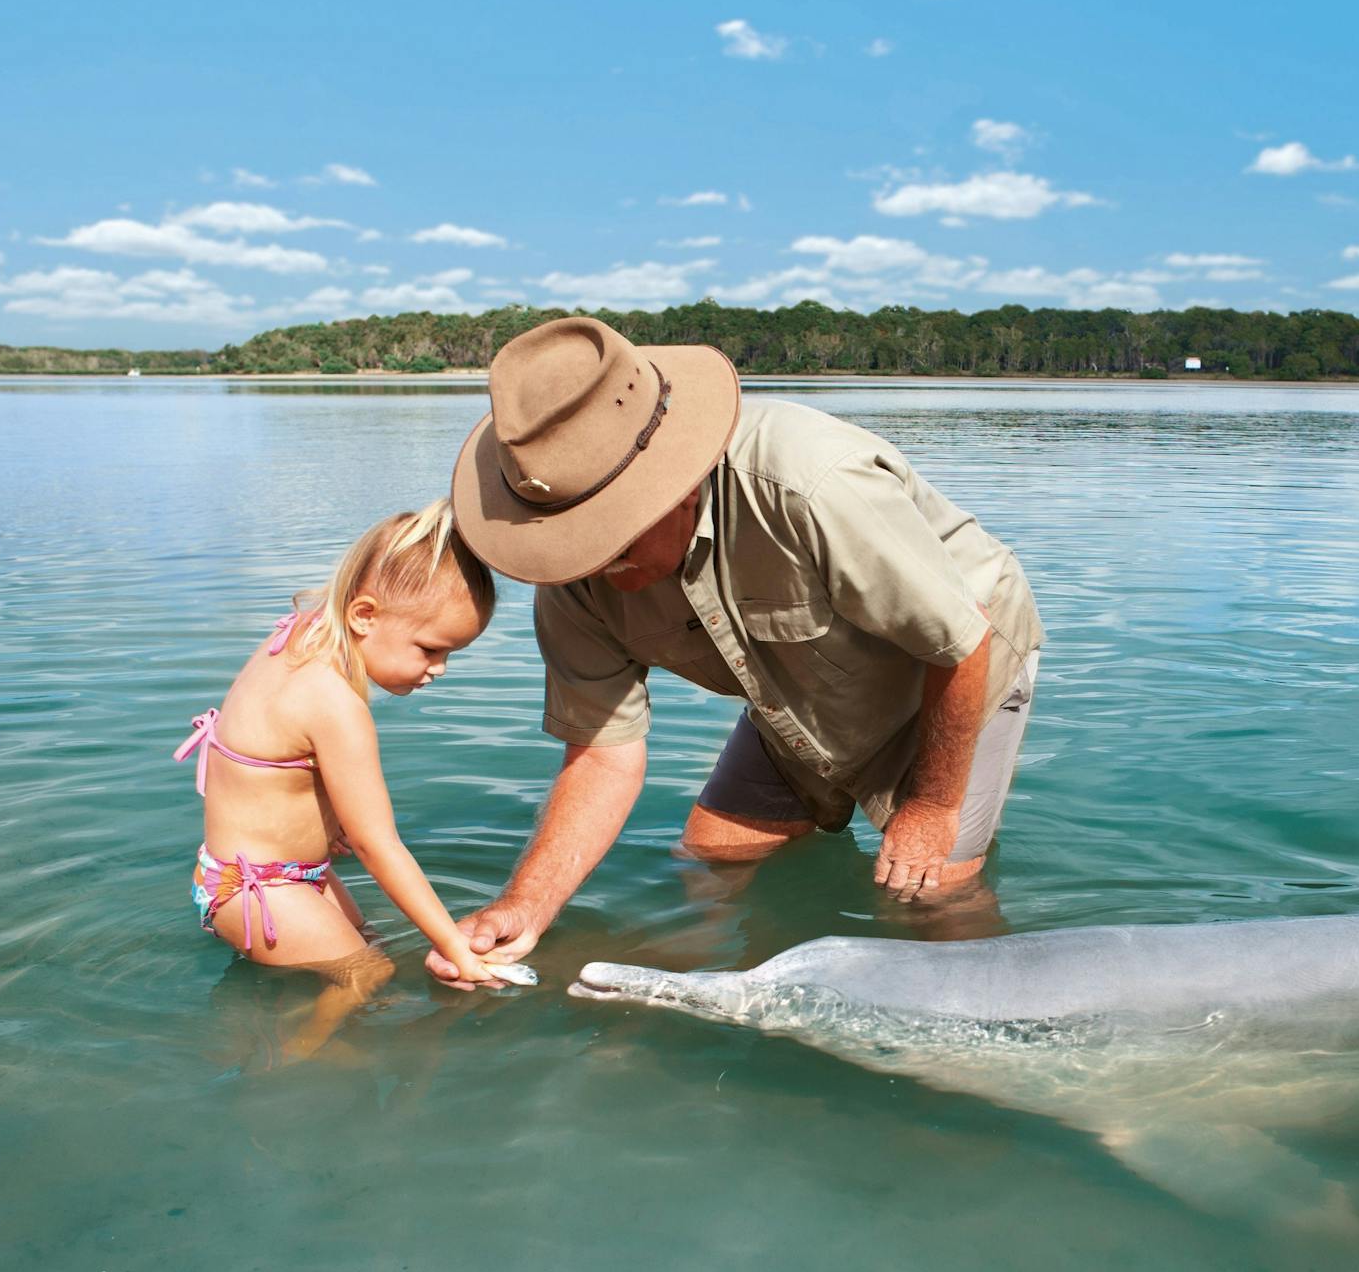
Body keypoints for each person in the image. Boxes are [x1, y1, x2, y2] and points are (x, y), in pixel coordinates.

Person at [426, 315, 1044, 984]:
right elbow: (602, 755)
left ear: (679, 485)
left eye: (611, 538)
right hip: (797, 694)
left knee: (928, 895)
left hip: (954, 663)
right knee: (710, 857)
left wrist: (931, 809)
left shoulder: (811, 482)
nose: (591, 567)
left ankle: (1012, 1017)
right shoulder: (575, 582)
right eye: (571, 541)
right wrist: (528, 903)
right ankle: (738, 999)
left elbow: (961, 639)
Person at [173, 500, 508, 990]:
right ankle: (298, 1059)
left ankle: (317, 1042)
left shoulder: (301, 635)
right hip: (261, 890)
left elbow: (270, 751)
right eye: (431, 649)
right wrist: (454, 947)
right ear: (364, 615)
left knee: (370, 947)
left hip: (246, 874)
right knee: (370, 973)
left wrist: (319, 819)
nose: (439, 668)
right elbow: (379, 844)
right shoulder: (336, 705)